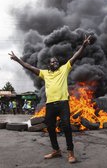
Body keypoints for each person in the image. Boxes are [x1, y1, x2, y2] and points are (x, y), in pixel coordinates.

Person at [9, 35, 91, 163]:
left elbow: (75, 56)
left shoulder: (64, 69)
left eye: (57, 61)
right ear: (49, 65)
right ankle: (56, 150)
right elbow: (29, 67)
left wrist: (84, 45)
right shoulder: (44, 73)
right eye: (53, 62)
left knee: (67, 127)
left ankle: (71, 153)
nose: (55, 63)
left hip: (63, 103)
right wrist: (18, 60)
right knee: (50, 127)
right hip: (50, 105)